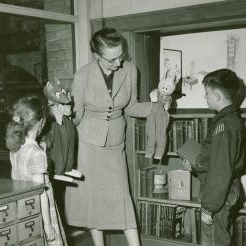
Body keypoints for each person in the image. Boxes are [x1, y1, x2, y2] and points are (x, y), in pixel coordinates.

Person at [65, 27, 156, 246]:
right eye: (112, 59)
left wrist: (157, 107)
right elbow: (76, 116)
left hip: (115, 143)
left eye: (121, 56)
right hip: (88, 144)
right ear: (97, 57)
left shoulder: (130, 70)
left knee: (121, 196)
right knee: (94, 199)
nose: (118, 63)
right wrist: (64, 116)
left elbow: (132, 106)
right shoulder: (82, 76)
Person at [183, 69, 246, 246]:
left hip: (218, 193)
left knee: (213, 240)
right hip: (222, 190)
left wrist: (209, 207)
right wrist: (196, 164)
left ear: (217, 96)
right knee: (220, 236)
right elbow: (216, 160)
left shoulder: (223, 127)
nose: (205, 97)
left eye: (207, 93)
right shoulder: (230, 120)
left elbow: (220, 171)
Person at [5, 96, 67, 246]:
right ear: (41, 122)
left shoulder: (15, 148)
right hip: (41, 211)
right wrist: (47, 225)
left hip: (23, 208)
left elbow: (15, 179)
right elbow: (41, 193)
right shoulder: (37, 153)